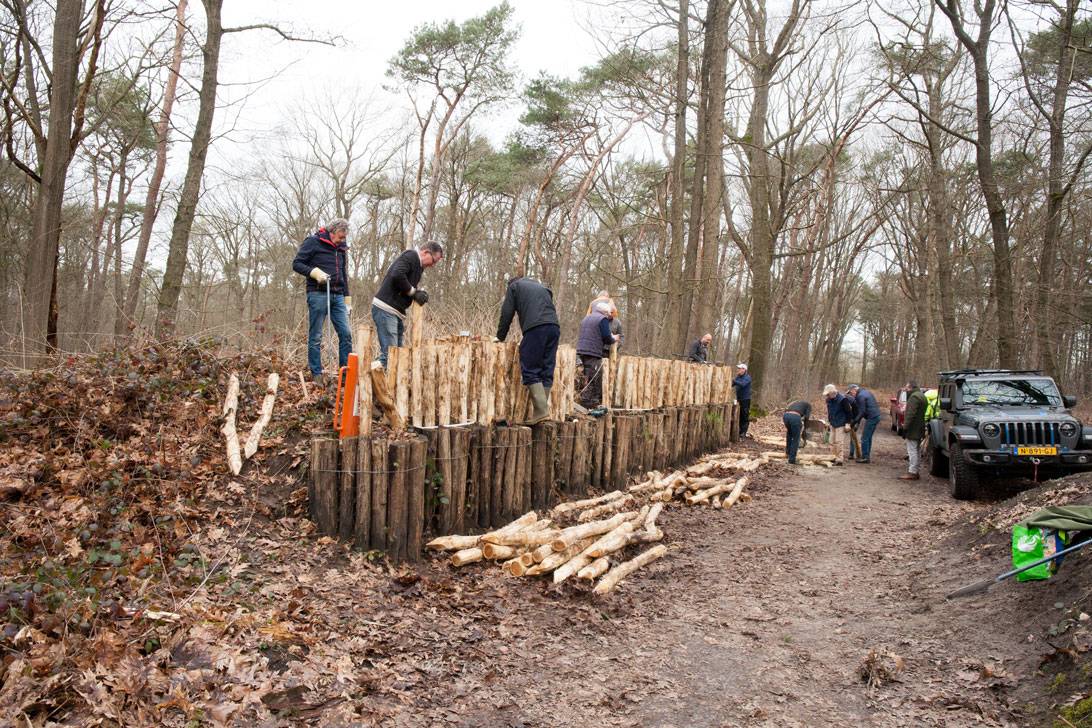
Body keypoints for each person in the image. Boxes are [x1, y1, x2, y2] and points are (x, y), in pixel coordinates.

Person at [292, 218, 353, 386]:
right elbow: (297, 264)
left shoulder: (341, 248)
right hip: (318, 294)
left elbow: (343, 273)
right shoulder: (313, 242)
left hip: (338, 295)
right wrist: (314, 273)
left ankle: (345, 374)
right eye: (340, 237)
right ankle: (317, 373)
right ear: (331, 232)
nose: (342, 240)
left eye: (344, 237)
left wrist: (347, 299)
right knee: (317, 336)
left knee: (346, 334)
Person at [495, 276, 561, 424]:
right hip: (554, 327)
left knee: (530, 366)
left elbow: (507, 313)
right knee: (547, 367)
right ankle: (541, 411)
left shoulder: (514, 287)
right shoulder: (542, 287)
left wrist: (500, 336)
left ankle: (541, 411)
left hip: (536, 327)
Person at [371, 240, 444, 368]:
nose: (433, 265)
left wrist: (418, 292)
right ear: (426, 252)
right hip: (386, 308)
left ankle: (388, 383)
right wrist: (413, 292)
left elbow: (407, 283)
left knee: (397, 356)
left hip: (396, 312)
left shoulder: (418, 266)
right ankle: (364, 375)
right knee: (390, 356)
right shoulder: (411, 256)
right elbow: (397, 274)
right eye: (434, 261)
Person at [576, 301, 619, 409]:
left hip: (581, 350)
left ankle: (586, 400)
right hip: (592, 351)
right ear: (605, 312)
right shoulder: (602, 319)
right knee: (593, 377)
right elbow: (607, 337)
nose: (609, 316)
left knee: (586, 376)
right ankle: (588, 403)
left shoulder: (587, 318)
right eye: (608, 314)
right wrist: (614, 338)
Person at [848, 383, 881, 463]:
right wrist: (857, 422)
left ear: (854, 389)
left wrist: (854, 422)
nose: (852, 395)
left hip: (872, 417)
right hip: (876, 416)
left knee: (864, 438)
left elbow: (861, 412)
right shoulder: (865, 392)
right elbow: (861, 411)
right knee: (868, 437)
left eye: (851, 393)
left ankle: (865, 457)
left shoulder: (860, 396)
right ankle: (866, 456)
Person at [900, 381, 927, 480]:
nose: (905, 390)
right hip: (919, 427)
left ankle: (912, 472)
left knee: (912, 450)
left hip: (913, 428)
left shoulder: (914, 397)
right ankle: (915, 471)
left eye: (907, 388)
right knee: (917, 450)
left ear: (911, 387)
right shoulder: (921, 396)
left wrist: (905, 427)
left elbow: (910, 414)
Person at [823, 383, 853, 464]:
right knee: (831, 441)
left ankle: (839, 459)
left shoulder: (843, 400)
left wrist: (848, 423)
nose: (827, 396)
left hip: (841, 423)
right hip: (833, 422)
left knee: (838, 442)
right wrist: (828, 421)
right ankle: (833, 457)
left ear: (833, 392)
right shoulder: (828, 400)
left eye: (828, 394)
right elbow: (830, 412)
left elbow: (849, 412)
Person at [783, 399, 812, 464]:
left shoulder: (795, 402)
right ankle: (792, 459)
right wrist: (804, 429)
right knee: (796, 438)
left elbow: (786, 409)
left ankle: (788, 453)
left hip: (785, 416)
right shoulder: (809, 405)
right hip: (795, 417)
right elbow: (807, 418)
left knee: (789, 434)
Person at [733, 363, 752, 438]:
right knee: (739, 414)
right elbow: (733, 384)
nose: (738, 370)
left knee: (744, 415)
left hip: (745, 399)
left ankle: (743, 432)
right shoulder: (738, 377)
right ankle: (739, 431)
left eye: (740, 368)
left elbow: (743, 384)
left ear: (744, 370)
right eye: (738, 368)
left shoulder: (747, 377)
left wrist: (734, 381)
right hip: (739, 399)